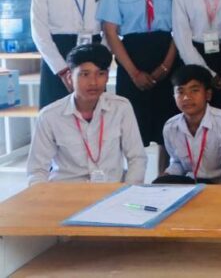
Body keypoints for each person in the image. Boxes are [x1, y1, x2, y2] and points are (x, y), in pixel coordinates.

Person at [97, 0, 179, 149]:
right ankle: (135, 171)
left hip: (167, 51)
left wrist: (166, 66)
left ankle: (168, 170)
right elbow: (110, 31)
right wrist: (134, 73)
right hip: (131, 55)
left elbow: (181, 27)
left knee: (169, 128)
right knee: (133, 129)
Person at [27, 44, 146, 185]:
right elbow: (37, 170)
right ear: (70, 78)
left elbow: (137, 158)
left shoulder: (121, 108)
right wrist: (44, 195)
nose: (93, 82)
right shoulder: (50, 116)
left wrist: (128, 191)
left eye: (100, 74)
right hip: (67, 192)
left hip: (110, 191)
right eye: (85, 74)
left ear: (107, 77)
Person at [157, 64, 221, 183]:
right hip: (189, 186)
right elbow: (177, 163)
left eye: (194, 90)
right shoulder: (170, 127)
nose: (186, 97)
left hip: (220, 185)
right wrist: (166, 175)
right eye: (180, 92)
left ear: (208, 95)